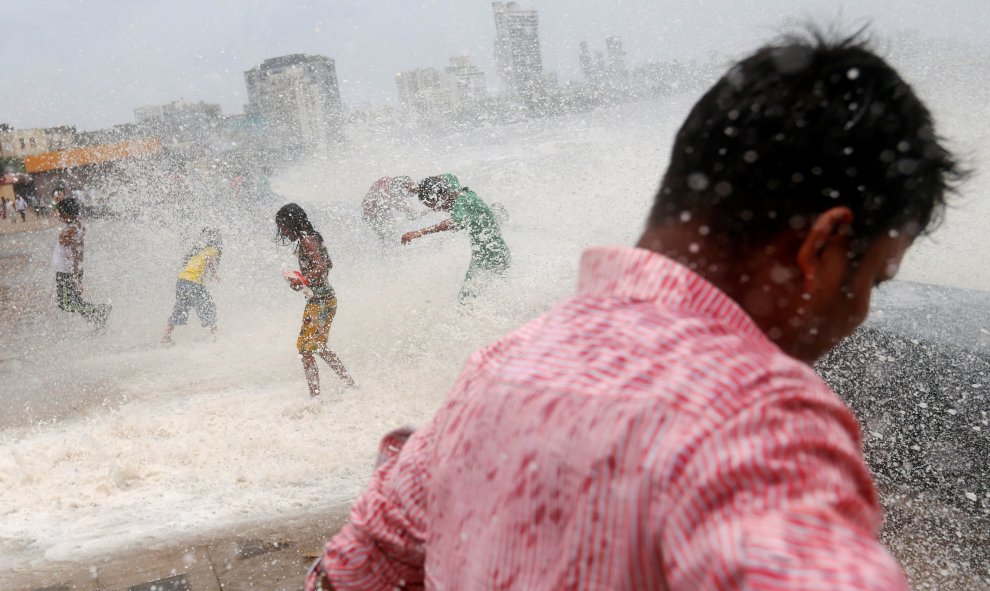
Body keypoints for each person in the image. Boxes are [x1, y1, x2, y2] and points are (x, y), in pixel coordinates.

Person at [306, 31, 965, 590]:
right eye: (875, 277)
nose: (859, 313)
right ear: (822, 245)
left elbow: (347, 572)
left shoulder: (494, 372)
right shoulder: (757, 422)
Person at [276, 203, 356, 396]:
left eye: (284, 227)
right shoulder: (314, 238)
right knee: (318, 347)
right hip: (327, 299)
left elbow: (320, 267)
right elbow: (329, 263)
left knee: (305, 349)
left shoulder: (306, 240)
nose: (283, 233)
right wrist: (304, 280)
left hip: (319, 301)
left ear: (292, 223)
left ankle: (315, 397)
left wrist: (301, 279)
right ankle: (351, 385)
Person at [401, 174, 511, 300]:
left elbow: (452, 223)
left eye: (437, 205)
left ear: (442, 196)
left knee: (468, 299)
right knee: (475, 297)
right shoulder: (455, 189)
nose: (438, 209)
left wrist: (419, 233)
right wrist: (418, 188)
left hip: (491, 256)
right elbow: (449, 176)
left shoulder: (461, 202)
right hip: (487, 254)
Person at [53, 197, 111, 330]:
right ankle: (98, 320)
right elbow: (80, 250)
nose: (58, 215)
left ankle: (100, 310)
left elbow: (75, 252)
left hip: (66, 272)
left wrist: (74, 277)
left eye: (60, 213)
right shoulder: (79, 225)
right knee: (76, 301)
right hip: (71, 270)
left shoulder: (69, 230)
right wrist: (78, 271)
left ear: (66, 214)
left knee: (66, 304)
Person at [161, 228, 223, 345]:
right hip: (193, 283)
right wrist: (214, 274)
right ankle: (216, 336)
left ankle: (166, 336)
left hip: (181, 281)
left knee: (180, 309)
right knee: (208, 306)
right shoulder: (212, 250)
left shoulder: (199, 251)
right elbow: (209, 259)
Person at [361, 175, 421, 241]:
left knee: (388, 234)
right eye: (409, 192)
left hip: (369, 211)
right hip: (371, 213)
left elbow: (412, 215)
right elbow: (411, 215)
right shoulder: (388, 188)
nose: (409, 195)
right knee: (388, 233)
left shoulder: (387, 182)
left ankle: (385, 244)